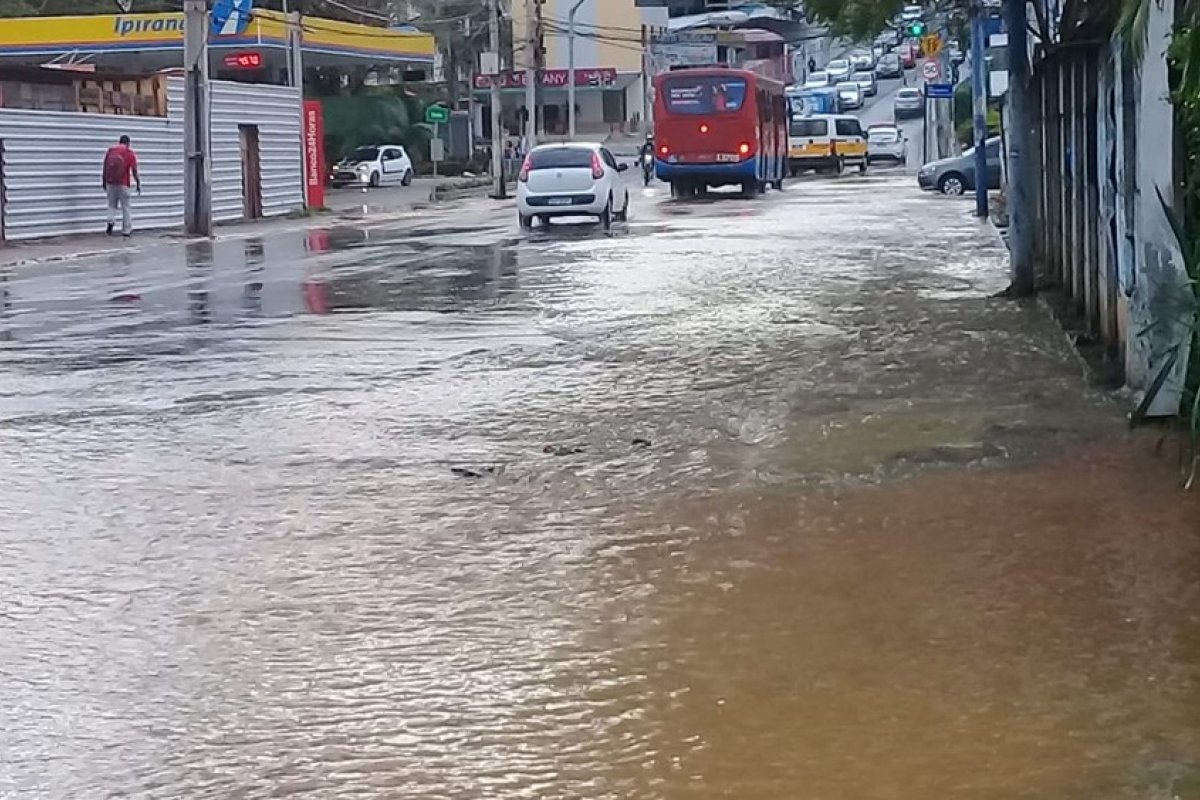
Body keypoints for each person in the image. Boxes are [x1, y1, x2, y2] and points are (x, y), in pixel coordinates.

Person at [101, 135, 140, 237]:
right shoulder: (129, 153)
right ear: (128, 143)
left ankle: (110, 222)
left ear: (119, 142)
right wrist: (138, 182)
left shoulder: (110, 151)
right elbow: (134, 171)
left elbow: (105, 167)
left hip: (111, 183)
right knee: (126, 207)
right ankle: (126, 230)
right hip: (123, 184)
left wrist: (104, 181)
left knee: (111, 204)